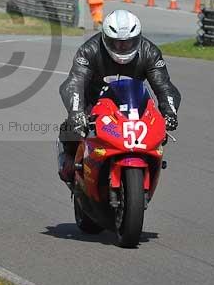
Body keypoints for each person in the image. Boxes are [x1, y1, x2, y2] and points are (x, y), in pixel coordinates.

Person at [56, 10, 181, 182]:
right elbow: (74, 83)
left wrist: (170, 113)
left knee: (160, 135)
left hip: (134, 106)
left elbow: (164, 86)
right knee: (69, 130)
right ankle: (74, 169)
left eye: (129, 43)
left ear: (138, 38)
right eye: (117, 43)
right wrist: (76, 113)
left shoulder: (150, 52)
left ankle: (149, 168)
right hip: (94, 104)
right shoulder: (89, 50)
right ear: (105, 38)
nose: (123, 48)